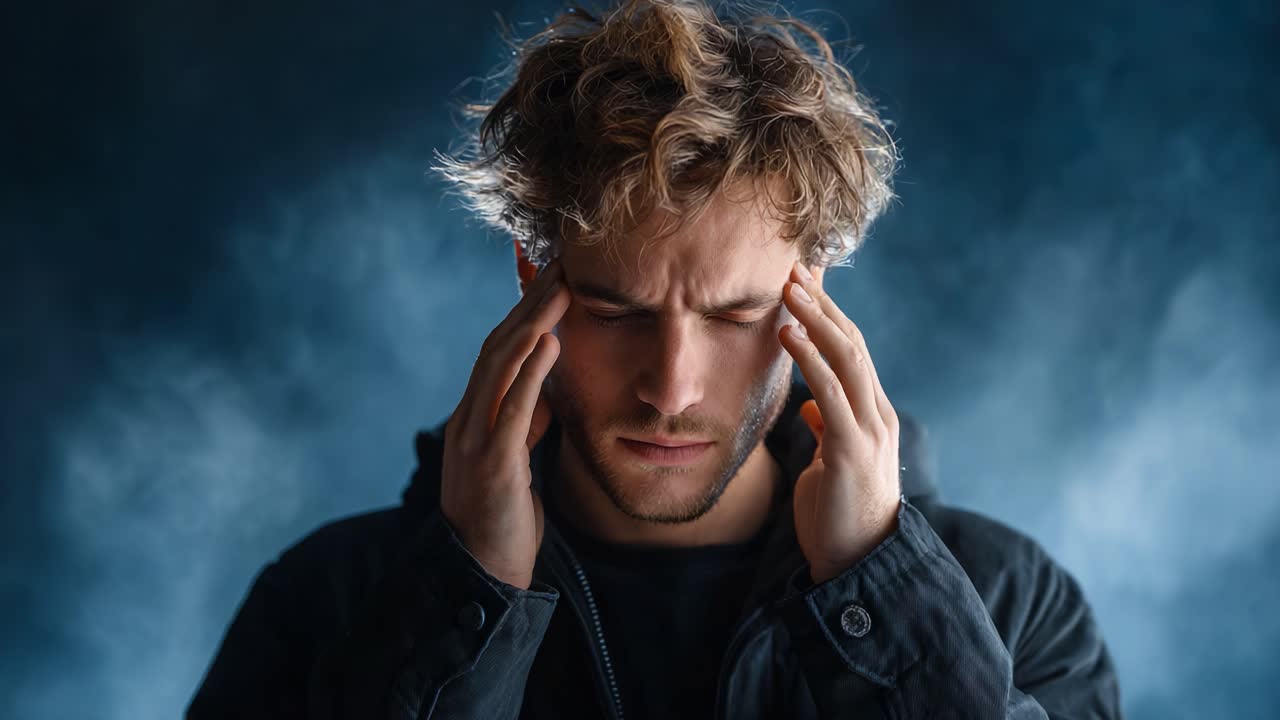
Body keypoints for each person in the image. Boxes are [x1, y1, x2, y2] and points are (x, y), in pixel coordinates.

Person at [187, 1, 1123, 718]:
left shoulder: (1006, 602)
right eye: (613, 307)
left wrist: (880, 590)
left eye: (735, 311)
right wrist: (464, 600)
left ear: (815, 285)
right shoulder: (331, 599)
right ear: (532, 273)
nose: (671, 388)